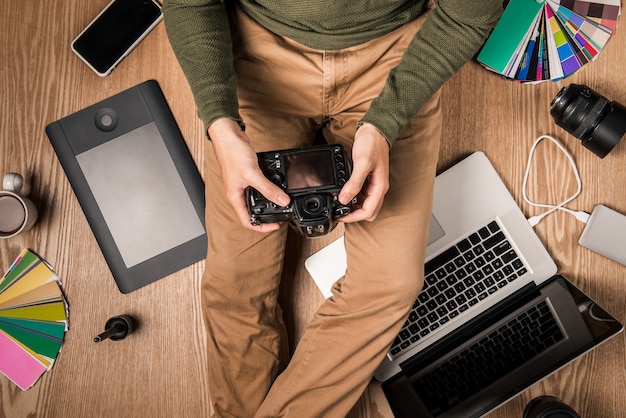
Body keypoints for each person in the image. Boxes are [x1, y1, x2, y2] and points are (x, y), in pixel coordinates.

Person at [162, 1, 503, 416]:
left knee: (389, 285)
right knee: (236, 284)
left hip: (393, 58)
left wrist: (386, 120)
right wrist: (221, 123)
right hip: (257, 54)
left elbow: (466, 14)